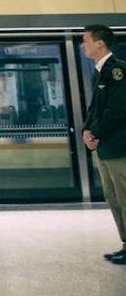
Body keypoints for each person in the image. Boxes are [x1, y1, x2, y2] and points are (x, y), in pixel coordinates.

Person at [81, 25, 126, 265]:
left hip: (119, 147)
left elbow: (117, 109)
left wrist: (95, 132)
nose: (83, 45)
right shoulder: (98, 72)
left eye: (85, 40)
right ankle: (125, 243)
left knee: (125, 196)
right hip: (105, 147)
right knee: (113, 196)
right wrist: (86, 130)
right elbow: (95, 108)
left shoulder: (117, 71)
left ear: (100, 43)